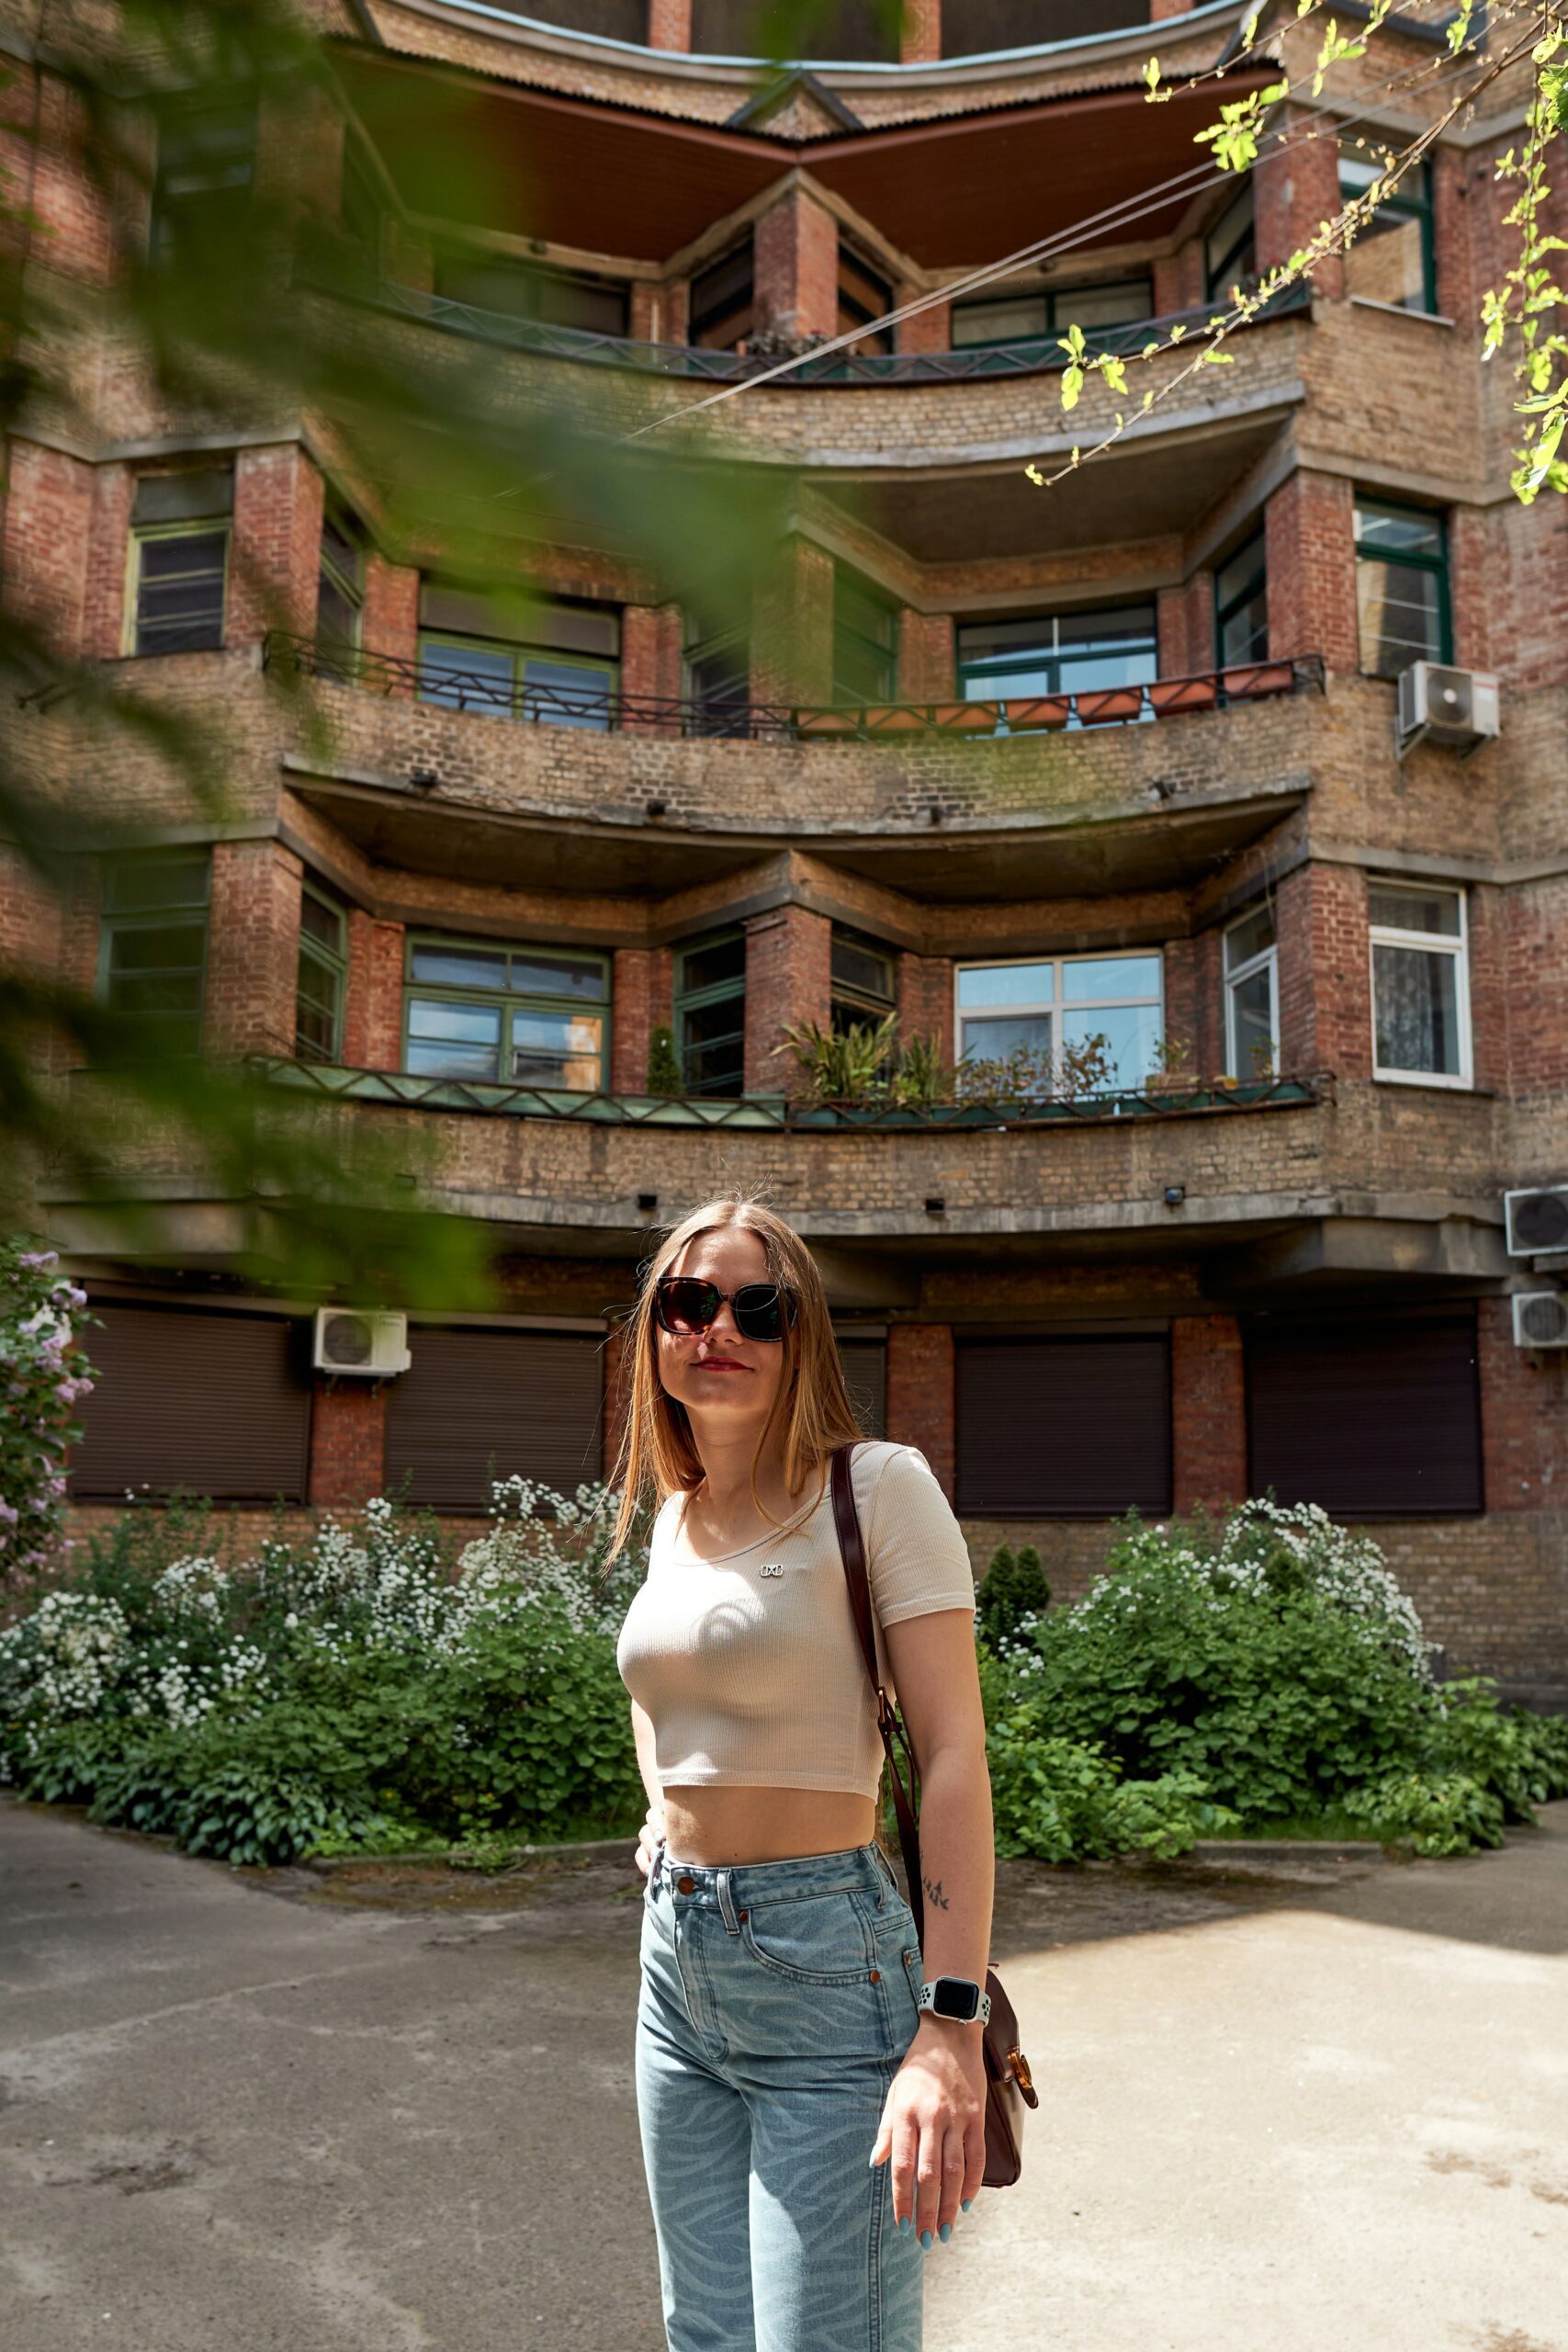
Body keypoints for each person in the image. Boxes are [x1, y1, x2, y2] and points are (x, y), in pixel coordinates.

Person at [610, 1195, 996, 2352]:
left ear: (801, 1334)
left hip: (829, 1961)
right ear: (657, 1330)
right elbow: (654, 1689)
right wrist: (657, 1811)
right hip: (676, 1964)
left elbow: (956, 1757)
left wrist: (950, 2027)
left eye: (756, 1306)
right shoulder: (676, 1511)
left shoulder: (876, 1488)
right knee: (707, 2331)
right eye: (689, 1300)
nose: (716, 1325)